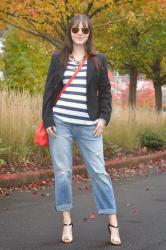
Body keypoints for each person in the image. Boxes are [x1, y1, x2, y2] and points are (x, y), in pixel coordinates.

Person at [42, 14, 122, 246]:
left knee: (99, 173)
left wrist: (103, 119)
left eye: (84, 30)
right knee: (63, 173)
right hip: (61, 124)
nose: (79, 33)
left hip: (90, 127)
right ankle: (67, 221)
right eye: (75, 29)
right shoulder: (58, 58)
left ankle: (113, 222)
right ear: (70, 32)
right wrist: (48, 120)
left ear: (89, 33)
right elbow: (48, 93)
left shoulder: (98, 60)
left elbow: (105, 93)